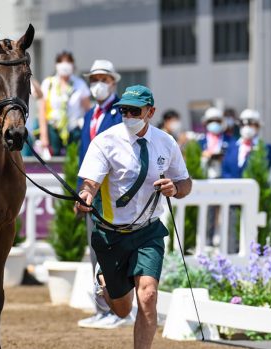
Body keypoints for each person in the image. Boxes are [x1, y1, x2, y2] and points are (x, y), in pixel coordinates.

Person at [76, 85, 192, 349]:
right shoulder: (105, 141)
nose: (127, 115)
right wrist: (85, 196)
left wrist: (175, 188)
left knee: (148, 295)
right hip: (111, 233)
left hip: (148, 230)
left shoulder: (166, 142)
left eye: (134, 110)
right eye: (123, 110)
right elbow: (90, 184)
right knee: (120, 309)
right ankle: (103, 278)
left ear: (150, 112)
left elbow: (186, 183)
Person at [76, 59, 127, 329]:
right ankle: (103, 308)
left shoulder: (121, 113)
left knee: (113, 249)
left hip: (113, 191)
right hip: (91, 191)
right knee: (95, 248)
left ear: (113, 82)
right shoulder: (89, 115)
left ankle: (118, 309)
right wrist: (79, 192)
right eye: (94, 79)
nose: (98, 84)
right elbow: (84, 156)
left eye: (103, 80)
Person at [37, 51, 91, 155]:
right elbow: (42, 112)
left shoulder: (80, 84)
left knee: (74, 159)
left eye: (68, 62)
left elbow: (87, 110)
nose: (65, 65)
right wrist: (44, 136)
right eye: (61, 62)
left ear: (73, 65)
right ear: (56, 65)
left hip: (74, 130)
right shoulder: (48, 83)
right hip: (54, 129)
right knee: (54, 162)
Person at [222, 109, 271, 179]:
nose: (246, 127)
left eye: (250, 124)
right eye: (243, 124)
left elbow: (263, 172)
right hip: (232, 188)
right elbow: (225, 170)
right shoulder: (231, 145)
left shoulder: (266, 149)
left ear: (258, 126)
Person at [199, 107, 232, 179]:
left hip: (224, 178)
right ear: (205, 123)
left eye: (217, 121)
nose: (214, 123)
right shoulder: (199, 141)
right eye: (211, 121)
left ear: (222, 122)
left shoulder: (230, 140)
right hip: (205, 179)